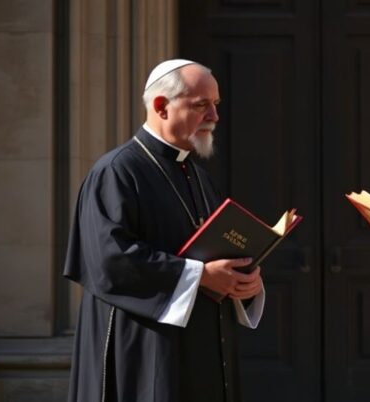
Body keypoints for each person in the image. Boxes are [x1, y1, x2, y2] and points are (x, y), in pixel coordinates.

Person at [63, 59, 265, 402]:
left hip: (203, 346)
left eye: (216, 105)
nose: (214, 117)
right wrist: (201, 276)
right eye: (202, 105)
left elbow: (218, 253)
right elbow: (109, 261)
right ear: (161, 107)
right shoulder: (116, 172)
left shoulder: (200, 178)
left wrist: (246, 280)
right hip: (141, 349)